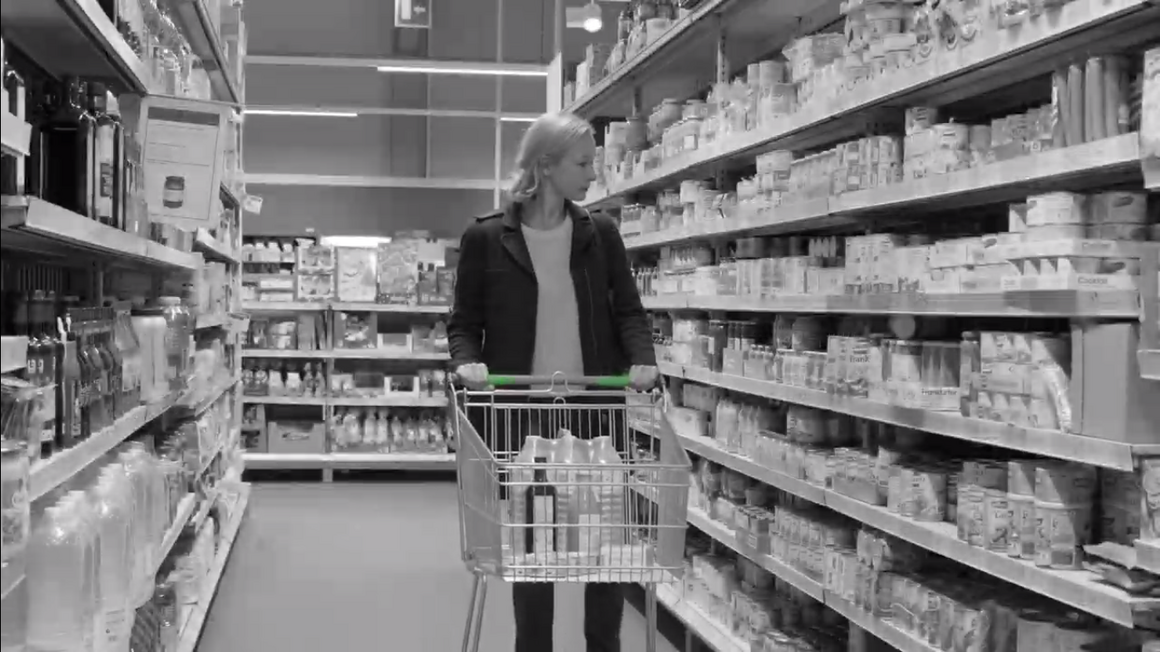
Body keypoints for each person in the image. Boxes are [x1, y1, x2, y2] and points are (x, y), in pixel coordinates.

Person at [448, 111, 658, 652]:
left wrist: (642, 361)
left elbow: (629, 312)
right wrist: (468, 364)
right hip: (524, 416)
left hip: (595, 413)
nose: (593, 173)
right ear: (545, 165)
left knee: (605, 551)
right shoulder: (486, 237)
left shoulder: (600, 234)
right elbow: (464, 324)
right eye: (583, 163)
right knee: (536, 551)